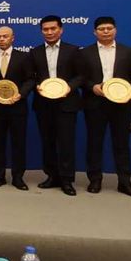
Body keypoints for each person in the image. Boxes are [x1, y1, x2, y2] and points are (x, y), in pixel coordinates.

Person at [79, 16, 131, 197]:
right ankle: (95, 180)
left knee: (121, 143)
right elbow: (81, 77)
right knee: (94, 143)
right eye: (101, 29)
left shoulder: (127, 51)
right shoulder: (85, 53)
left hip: (121, 104)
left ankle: (125, 182)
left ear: (115, 30)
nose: (105, 31)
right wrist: (92, 87)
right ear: (94, 32)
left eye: (109, 28)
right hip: (95, 103)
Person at [31, 15, 83, 196]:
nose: (49, 32)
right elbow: (31, 76)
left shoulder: (73, 50)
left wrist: (70, 87)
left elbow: (80, 76)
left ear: (61, 30)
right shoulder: (35, 52)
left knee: (66, 142)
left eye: (53, 28)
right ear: (41, 31)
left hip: (66, 103)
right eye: (45, 29)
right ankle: (52, 175)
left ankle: (67, 179)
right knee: (48, 142)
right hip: (43, 104)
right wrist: (36, 85)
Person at [0, 26, 34, 190]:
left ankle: (18, 177)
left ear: (13, 38)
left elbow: (30, 80)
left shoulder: (24, 57)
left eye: (5, 36)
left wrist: (21, 94)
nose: (1, 39)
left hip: (17, 107)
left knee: (18, 143)